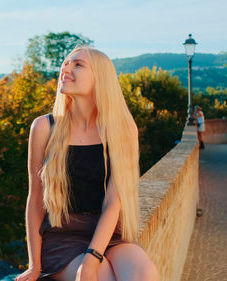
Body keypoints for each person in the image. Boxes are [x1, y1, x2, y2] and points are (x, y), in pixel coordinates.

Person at [15, 46, 159, 281]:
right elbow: (35, 200)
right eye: (66, 64)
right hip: (63, 237)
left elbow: (114, 201)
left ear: (100, 78)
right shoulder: (43, 127)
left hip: (110, 234)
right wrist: (34, 265)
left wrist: (92, 257)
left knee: (144, 275)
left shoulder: (122, 129)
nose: (66, 69)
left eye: (78, 65)